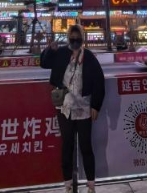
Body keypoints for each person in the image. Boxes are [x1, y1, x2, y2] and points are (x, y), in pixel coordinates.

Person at [40, 24, 105, 193]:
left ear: (82, 39)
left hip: (83, 108)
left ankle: (91, 186)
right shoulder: (61, 53)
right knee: (67, 146)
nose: (75, 41)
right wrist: (50, 50)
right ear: (68, 38)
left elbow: (99, 81)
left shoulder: (88, 57)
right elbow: (44, 63)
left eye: (78, 38)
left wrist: (96, 105)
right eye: (72, 38)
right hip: (65, 108)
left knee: (86, 146)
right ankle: (68, 185)